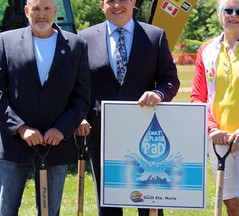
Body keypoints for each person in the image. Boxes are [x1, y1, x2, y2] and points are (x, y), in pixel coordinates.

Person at [0, 0, 91, 215]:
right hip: (13, 142)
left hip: (56, 142)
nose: (41, 14)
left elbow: (82, 97)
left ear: (55, 11)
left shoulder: (76, 45)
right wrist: (21, 128)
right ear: (27, 11)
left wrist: (61, 129)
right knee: (5, 209)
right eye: (36, 9)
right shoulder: (6, 41)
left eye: (46, 9)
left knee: (50, 211)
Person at [75, 0, 180, 215]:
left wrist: (158, 94)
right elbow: (76, 85)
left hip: (146, 133)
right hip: (102, 132)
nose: (117, 5)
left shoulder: (155, 36)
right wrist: (79, 116)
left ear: (133, 2)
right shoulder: (84, 39)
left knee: (149, 201)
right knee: (108, 204)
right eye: (110, 0)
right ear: (101, 5)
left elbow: (170, 79)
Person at [191, 0, 239, 215]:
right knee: (231, 204)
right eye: (228, 10)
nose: (233, 15)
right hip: (219, 140)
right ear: (219, 15)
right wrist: (212, 128)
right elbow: (197, 97)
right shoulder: (206, 49)